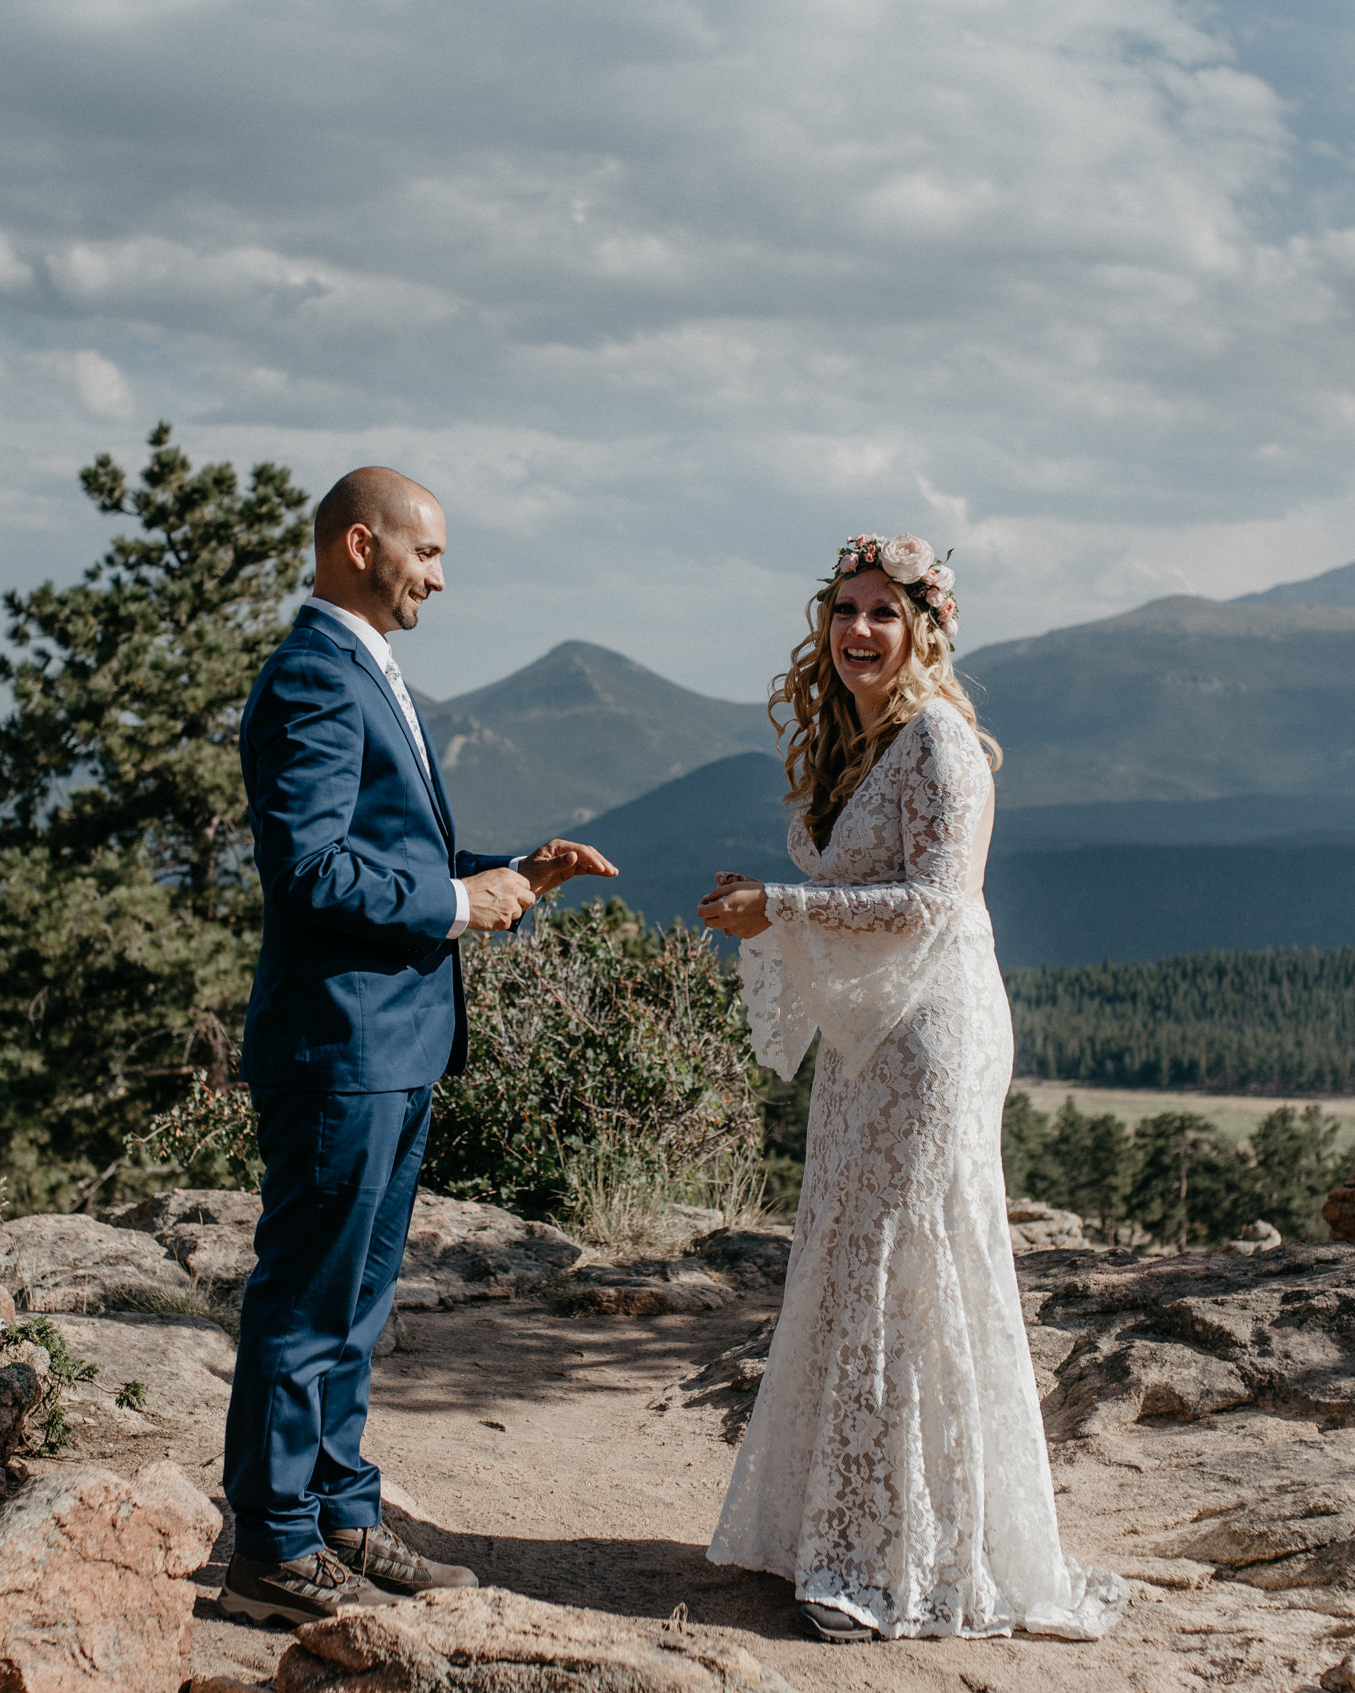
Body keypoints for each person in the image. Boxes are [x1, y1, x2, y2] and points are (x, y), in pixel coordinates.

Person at [698, 534, 1126, 1645]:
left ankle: (900, 1562)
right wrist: (782, 905)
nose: (857, 631)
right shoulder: (851, 741)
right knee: (847, 1256)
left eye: (883, 612)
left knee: (908, 1261)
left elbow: (935, 902)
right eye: (845, 609)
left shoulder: (940, 741)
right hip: (865, 1032)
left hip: (934, 1034)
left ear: (926, 629)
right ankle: (834, 1529)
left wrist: (780, 908)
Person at [221, 466, 617, 1624]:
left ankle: (343, 1513)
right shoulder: (311, 675)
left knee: (357, 1301)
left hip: (390, 1046)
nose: (440, 578)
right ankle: (273, 1545)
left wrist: (506, 874)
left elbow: (372, 847)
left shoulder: (357, 668)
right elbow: (307, 870)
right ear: (360, 543)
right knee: (305, 1300)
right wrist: (457, 903)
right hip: (340, 1045)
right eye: (427, 554)